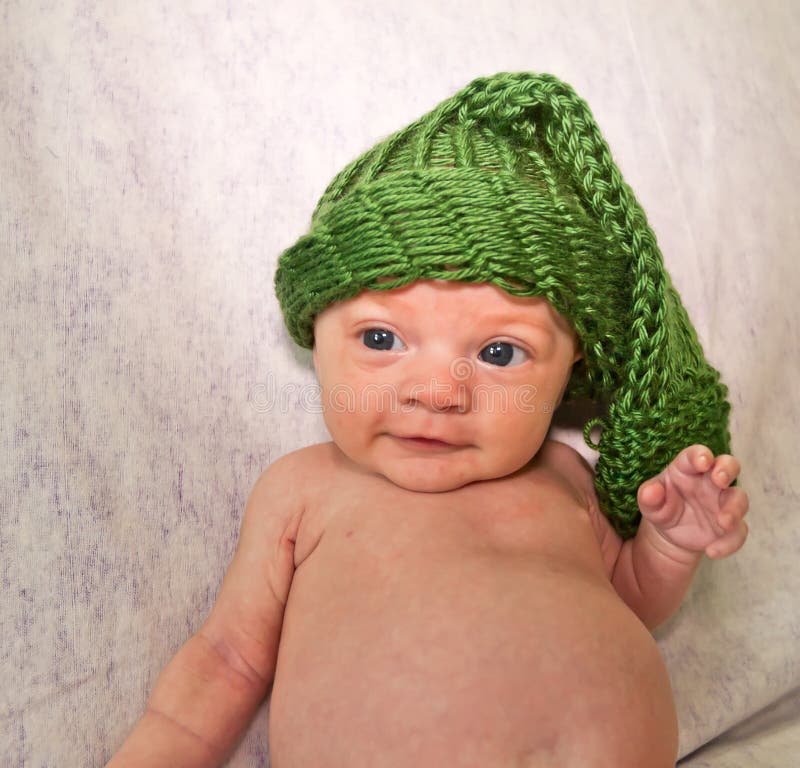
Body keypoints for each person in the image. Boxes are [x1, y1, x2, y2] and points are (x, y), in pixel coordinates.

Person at [108, 72, 749, 767]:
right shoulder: (303, 492)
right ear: (314, 339)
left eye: (501, 352)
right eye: (381, 340)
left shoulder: (563, 475)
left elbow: (632, 603)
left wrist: (670, 546)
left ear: (571, 372)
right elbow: (227, 659)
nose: (439, 392)